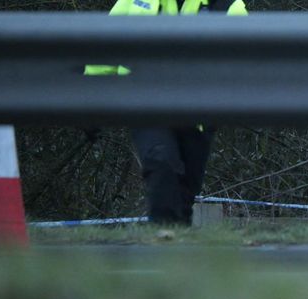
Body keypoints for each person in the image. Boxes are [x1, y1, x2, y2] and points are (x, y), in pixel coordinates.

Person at [85, 0, 248, 225]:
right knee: (161, 162)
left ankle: (175, 251)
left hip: (198, 114)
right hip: (146, 105)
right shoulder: (135, 2)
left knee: (183, 195)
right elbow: (103, 52)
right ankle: (163, 244)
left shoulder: (226, 6)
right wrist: (92, 105)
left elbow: (245, 61)